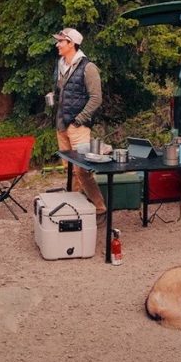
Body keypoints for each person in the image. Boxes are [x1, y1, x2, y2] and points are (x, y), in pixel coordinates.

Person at [50, 27, 107, 222]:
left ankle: (100, 208)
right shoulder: (61, 63)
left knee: (82, 170)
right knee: (69, 170)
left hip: (78, 127)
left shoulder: (88, 67)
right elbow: (63, 92)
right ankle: (77, 210)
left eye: (61, 41)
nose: (57, 44)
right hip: (62, 124)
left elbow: (96, 98)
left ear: (72, 44)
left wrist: (78, 120)